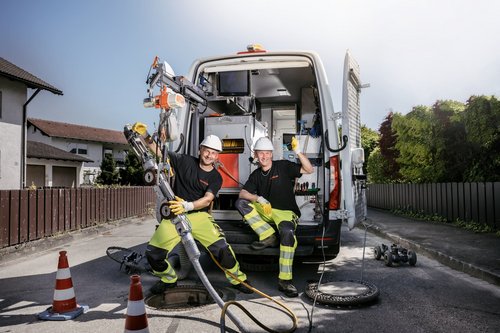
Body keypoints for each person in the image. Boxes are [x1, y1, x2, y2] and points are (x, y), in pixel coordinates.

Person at [145, 134, 252, 295]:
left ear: (218, 156)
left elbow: (208, 199)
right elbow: (159, 151)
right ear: (200, 149)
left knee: (223, 251)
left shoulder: (215, 177)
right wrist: (145, 136)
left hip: (199, 216)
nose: (209, 155)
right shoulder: (184, 161)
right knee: (153, 254)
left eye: (214, 153)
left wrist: (187, 206)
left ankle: (238, 279)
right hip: (175, 214)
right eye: (207, 151)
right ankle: (168, 279)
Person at [235, 136, 313, 297]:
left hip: (285, 213)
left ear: (271, 154)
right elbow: (243, 192)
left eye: (267, 153)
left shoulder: (283, 166)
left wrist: (297, 151)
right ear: (256, 155)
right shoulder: (256, 174)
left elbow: (309, 169)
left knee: (287, 233)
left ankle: (285, 281)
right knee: (241, 202)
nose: (263, 156)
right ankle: (267, 235)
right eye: (260, 153)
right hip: (267, 211)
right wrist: (258, 198)